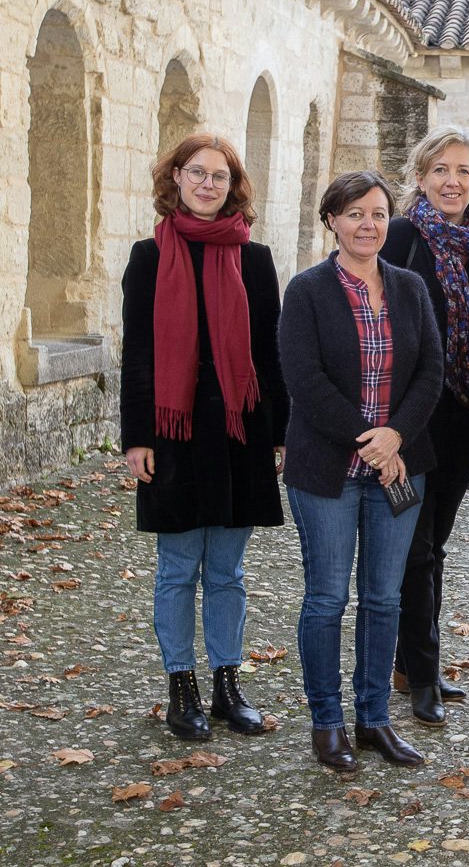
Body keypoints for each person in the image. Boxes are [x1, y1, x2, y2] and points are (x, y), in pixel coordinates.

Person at [121, 133, 288, 741]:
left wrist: (279, 433)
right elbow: (138, 350)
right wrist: (138, 436)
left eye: (220, 176)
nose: (209, 184)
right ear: (177, 180)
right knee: (176, 568)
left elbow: (269, 351)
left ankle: (226, 682)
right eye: (198, 173)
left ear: (233, 186)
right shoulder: (148, 256)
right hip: (174, 429)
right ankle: (181, 685)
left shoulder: (255, 259)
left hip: (239, 428)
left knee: (228, 571)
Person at [280, 171, 443, 772]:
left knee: (383, 598)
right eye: (354, 214)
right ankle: (327, 722)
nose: (367, 225)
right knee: (326, 599)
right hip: (328, 470)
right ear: (332, 221)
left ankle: (373, 719)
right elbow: (304, 380)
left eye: (377, 214)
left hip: (401, 465)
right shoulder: (306, 291)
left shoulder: (409, 288)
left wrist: (396, 434)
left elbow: (431, 370)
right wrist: (369, 440)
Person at [382, 126, 469, 726]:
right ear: (420, 176)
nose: (452, 181)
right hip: (411, 418)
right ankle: (421, 674)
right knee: (411, 546)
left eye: (463, 171)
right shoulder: (403, 236)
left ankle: (414, 665)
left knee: (433, 544)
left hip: (464, 414)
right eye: (440, 170)